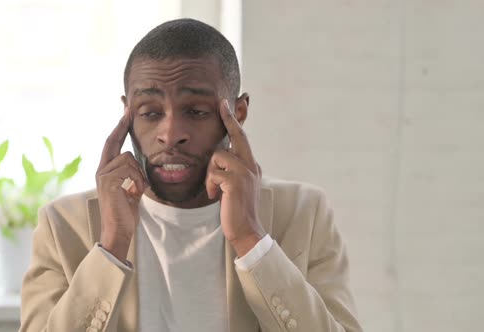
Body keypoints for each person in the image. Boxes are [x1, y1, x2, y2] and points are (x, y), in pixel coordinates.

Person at [19, 18, 362, 332]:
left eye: (196, 111)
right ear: (128, 115)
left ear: (237, 113)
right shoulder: (63, 225)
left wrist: (251, 240)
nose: (170, 133)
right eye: (150, 112)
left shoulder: (304, 212)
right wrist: (111, 246)